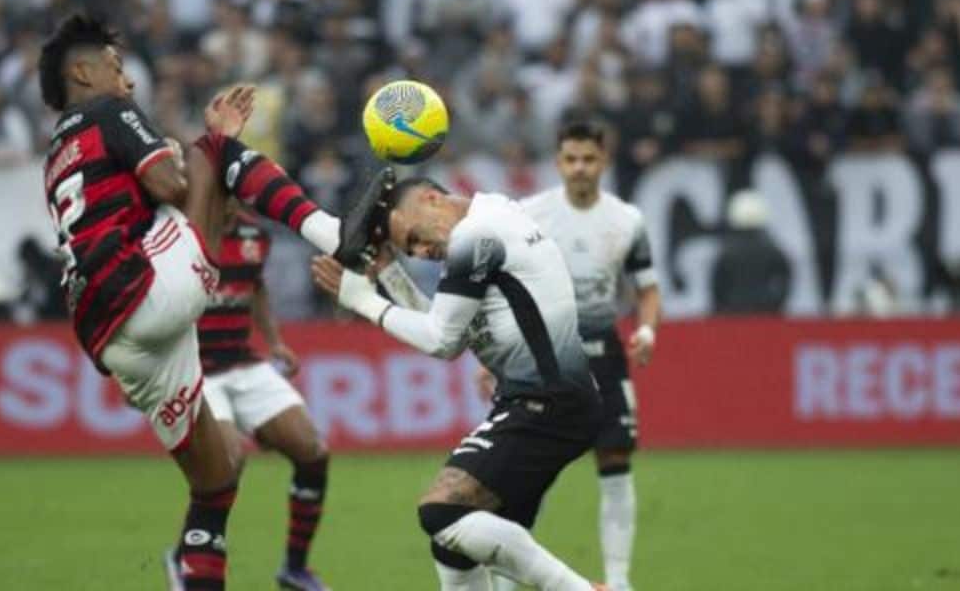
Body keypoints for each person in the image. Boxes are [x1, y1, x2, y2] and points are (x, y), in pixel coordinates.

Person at [38, 15, 353, 590]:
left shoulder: (56, 153)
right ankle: (330, 232)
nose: (128, 84)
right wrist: (212, 145)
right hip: (144, 291)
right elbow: (173, 188)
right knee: (209, 150)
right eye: (116, 69)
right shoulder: (108, 111)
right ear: (83, 72)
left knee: (214, 483)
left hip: (110, 337)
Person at [311, 170, 608, 591]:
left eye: (414, 237)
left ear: (432, 198)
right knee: (454, 544)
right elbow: (451, 331)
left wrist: (362, 299)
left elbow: (441, 341)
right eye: (409, 250)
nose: (420, 251)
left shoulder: (476, 236)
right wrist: (391, 275)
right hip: (553, 398)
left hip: (547, 401)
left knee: (441, 513)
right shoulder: (495, 212)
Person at [490, 121, 660, 591]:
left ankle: (620, 582)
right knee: (529, 470)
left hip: (603, 349)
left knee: (615, 459)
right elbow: (501, 287)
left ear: (603, 161)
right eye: (571, 159)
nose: (580, 168)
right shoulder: (530, 215)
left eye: (589, 159)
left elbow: (647, 288)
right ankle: (505, 580)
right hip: (541, 351)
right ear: (559, 162)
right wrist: (495, 357)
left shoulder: (627, 220)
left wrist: (646, 329)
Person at [195, 201, 331, 590]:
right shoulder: (181, 231)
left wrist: (274, 341)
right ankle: (190, 554)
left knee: (312, 451)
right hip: (197, 372)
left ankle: (295, 568)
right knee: (226, 465)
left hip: (244, 363)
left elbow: (256, 288)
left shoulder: (254, 234)